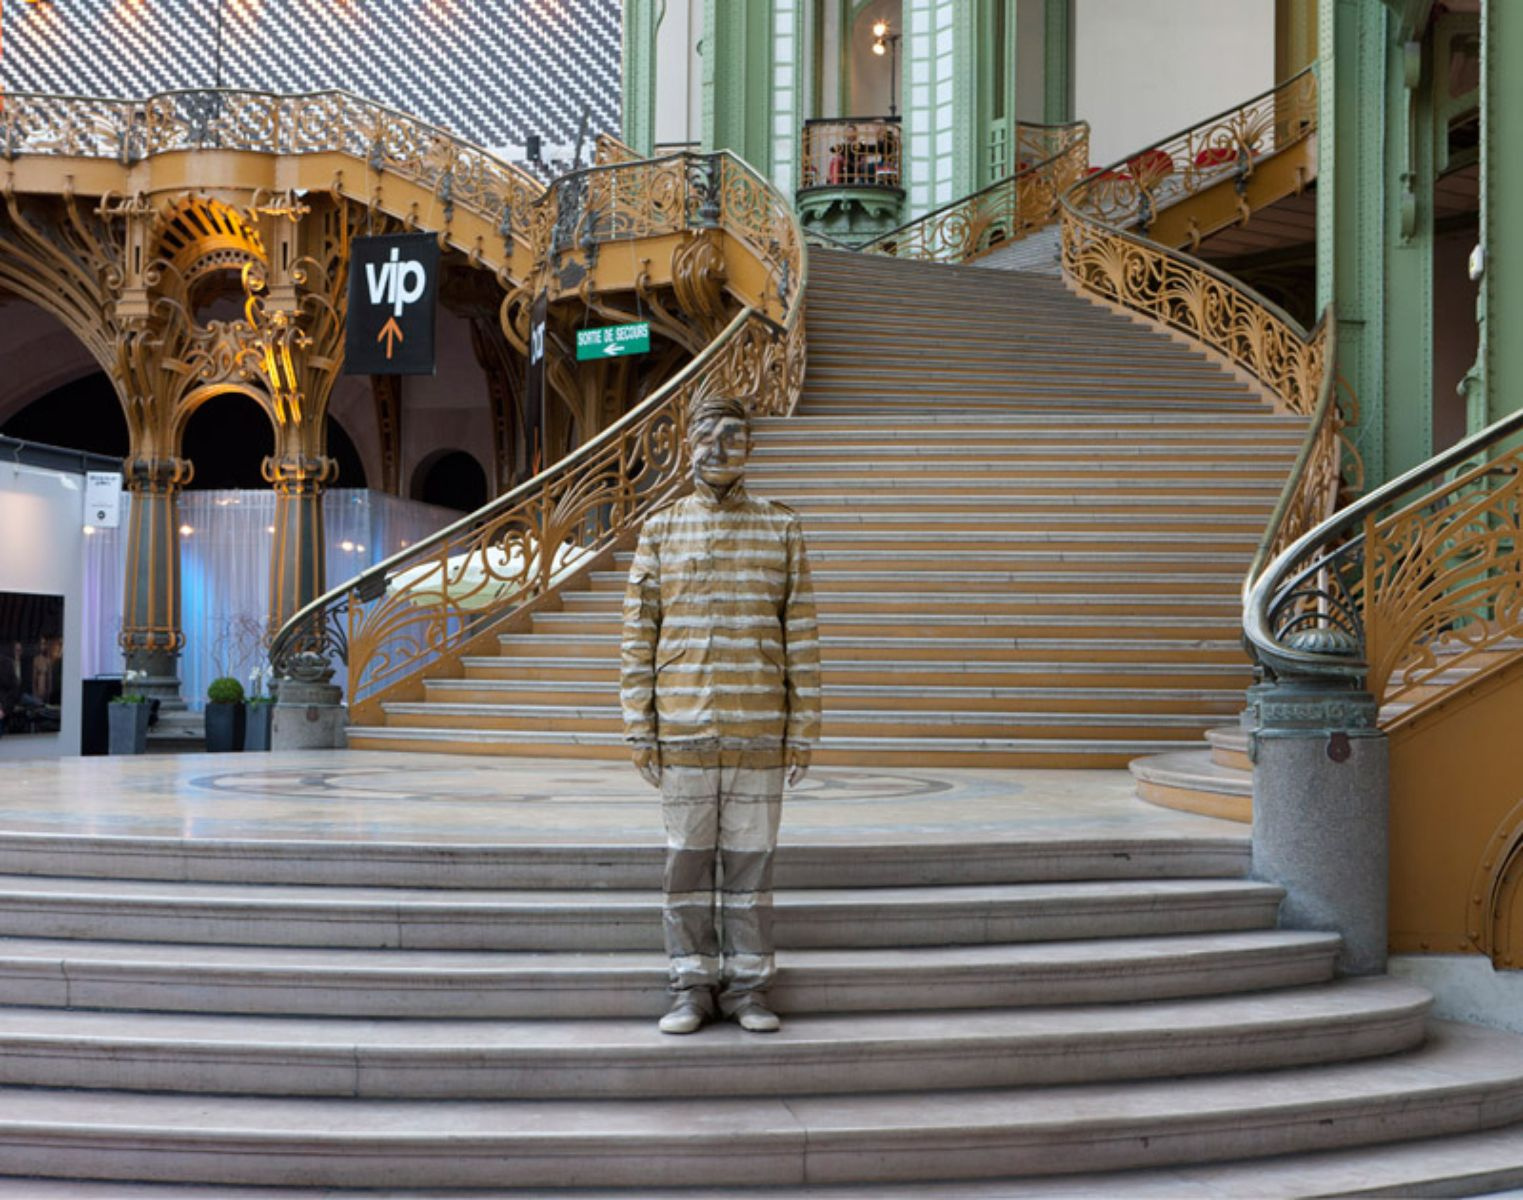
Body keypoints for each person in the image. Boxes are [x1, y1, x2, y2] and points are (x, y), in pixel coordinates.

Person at [621, 388, 821, 1035]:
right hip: (682, 728)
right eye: (705, 437)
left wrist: (803, 727)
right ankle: (689, 987)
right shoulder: (660, 529)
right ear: (687, 445)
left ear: (751, 447)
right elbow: (637, 636)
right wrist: (639, 726)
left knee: (751, 868)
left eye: (731, 436)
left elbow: (802, 634)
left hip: (758, 730)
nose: (717, 449)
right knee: (684, 863)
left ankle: (746, 990)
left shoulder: (781, 527)